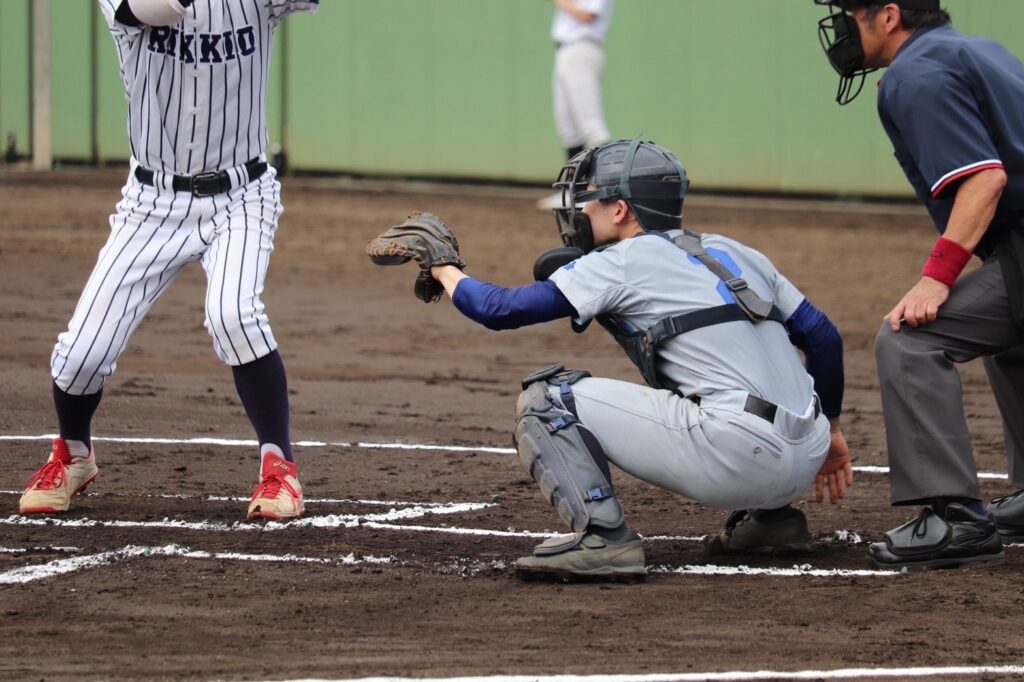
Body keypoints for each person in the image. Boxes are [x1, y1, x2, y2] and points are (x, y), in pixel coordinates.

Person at [368, 140, 852, 579]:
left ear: (620, 209)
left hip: (738, 456)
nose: (579, 210)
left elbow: (500, 309)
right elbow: (824, 339)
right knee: (721, 374)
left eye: (589, 199)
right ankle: (772, 520)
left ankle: (603, 539)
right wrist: (829, 432)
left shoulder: (621, 261)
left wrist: (443, 267)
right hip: (808, 455)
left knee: (546, 399)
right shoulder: (735, 251)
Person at [17, 0, 318, 520]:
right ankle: (73, 454)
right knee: (81, 354)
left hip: (242, 195)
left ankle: (279, 468)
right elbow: (156, 7)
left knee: (234, 315)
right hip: (151, 203)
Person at [815, 0, 1024, 568]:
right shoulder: (977, 49)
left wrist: (936, 277)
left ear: (888, 16)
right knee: (1009, 338)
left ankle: (958, 520)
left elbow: (985, 181)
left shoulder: (917, 72)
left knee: (909, 339)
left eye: (851, 14)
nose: (842, 28)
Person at [537, 0, 614, 210]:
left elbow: (587, 15)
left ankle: (606, 192)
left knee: (592, 127)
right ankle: (572, 192)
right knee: (568, 128)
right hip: (565, 51)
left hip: (582, 50)